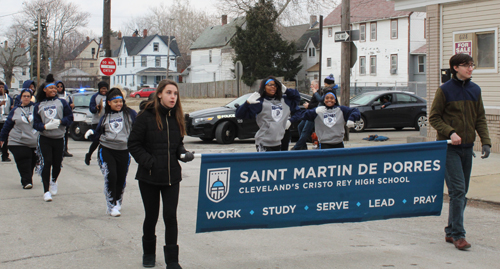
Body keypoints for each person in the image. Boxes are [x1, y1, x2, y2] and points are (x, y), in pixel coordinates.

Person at [128, 79, 194, 268]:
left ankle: (172, 261)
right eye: (168, 93)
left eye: (175, 93)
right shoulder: (145, 116)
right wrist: (150, 162)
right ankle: (148, 253)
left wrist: (182, 153)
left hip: (172, 177)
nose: (172, 97)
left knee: (170, 217)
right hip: (149, 176)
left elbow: (177, 143)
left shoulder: (177, 117)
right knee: (151, 216)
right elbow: (133, 144)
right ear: (159, 94)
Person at [429, 53, 491, 251]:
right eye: (466, 65)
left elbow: (480, 118)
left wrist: (486, 142)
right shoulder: (444, 90)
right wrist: (451, 132)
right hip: (448, 148)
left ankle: (450, 230)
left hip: (467, 149)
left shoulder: (475, 90)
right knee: (457, 192)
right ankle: (458, 235)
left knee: (461, 193)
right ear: (455, 68)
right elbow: (434, 118)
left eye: (472, 65)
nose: (470, 68)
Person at [85, 88, 137, 217]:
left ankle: (118, 200)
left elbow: (139, 131)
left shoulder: (130, 114)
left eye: (121, 101)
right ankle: (111, 204)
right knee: (111, 176)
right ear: (109, 103)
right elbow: (98, 137)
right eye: (116, 102)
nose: (119, 104)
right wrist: (89, 152)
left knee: (121, 178)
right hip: (107, 150)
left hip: (123, 151)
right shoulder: (105, 118)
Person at [33, 77, 74, 202]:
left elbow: (70, 117)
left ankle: (54, 180)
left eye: (55, 88)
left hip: (59, 138)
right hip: (45, 138)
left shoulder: (62, 103)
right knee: (47, 162)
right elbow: (35, 124)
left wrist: (61, 121)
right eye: (51, 88)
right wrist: (44, 126)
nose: (54, 90)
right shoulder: (39, 105)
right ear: (45, 89)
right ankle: (46, 191)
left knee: (57, 164)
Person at [235, 76, 302, 152]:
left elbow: (297, 97)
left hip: (278, 141)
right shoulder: (259, 102)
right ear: (264, 87)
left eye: (275, 85)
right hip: (264, 142)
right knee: (266, 164)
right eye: (270, 84)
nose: (273, 87)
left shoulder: (285, 101)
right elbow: (239, 115)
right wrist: (247, 103)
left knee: (277, 164)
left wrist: (286, 90)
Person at [0, 88, 38, 189]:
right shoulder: (15, 110)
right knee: (24, 159)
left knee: (32, 162)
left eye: (28, 96)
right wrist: (2, 138)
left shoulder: (36, 109)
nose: (26, 98)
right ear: (20, 98)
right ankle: (27, 182)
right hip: (17, 141)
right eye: (24, 96)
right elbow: (7, 125)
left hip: (33, 140)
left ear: (31, 98)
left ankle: (26, 178)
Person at [291, 80, 322, 150]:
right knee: (300, 127)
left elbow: (319, 104)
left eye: (312, 85)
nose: (311, 86)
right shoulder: (315, 93)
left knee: (305, 130)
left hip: (313, 115)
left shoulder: (319, 93)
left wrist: (309, 106)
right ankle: (303, 145)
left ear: (317, 85)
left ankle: (297, 146)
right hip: (309, 113)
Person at [85, 81, 109, 165]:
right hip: (97, 121)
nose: (104, 91)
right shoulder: (95, 97)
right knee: (96, 141)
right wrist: (96, 108)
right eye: (102, 89)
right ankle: (89, 154)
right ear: (99, 89)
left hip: (107, 121)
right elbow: (91, 109)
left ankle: (102, 158)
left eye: (105, 89)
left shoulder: (109, 96)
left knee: (104, 142)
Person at [56, 80, 74, 157]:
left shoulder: (67, 95)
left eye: (61, 86)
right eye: (58, 86)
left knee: (65, 135)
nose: (60, 88)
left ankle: (65, 150)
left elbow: (71, 104)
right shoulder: (54, 96)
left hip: (65, 117)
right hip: (57, 116)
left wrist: (72, 105)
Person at [0, 81, 14, 162]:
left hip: (5, 120)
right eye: (0, 87)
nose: (1, 89)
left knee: (5, 138)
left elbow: (11, 107)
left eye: (2, 87)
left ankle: (5, 155)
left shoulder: (9, 98)